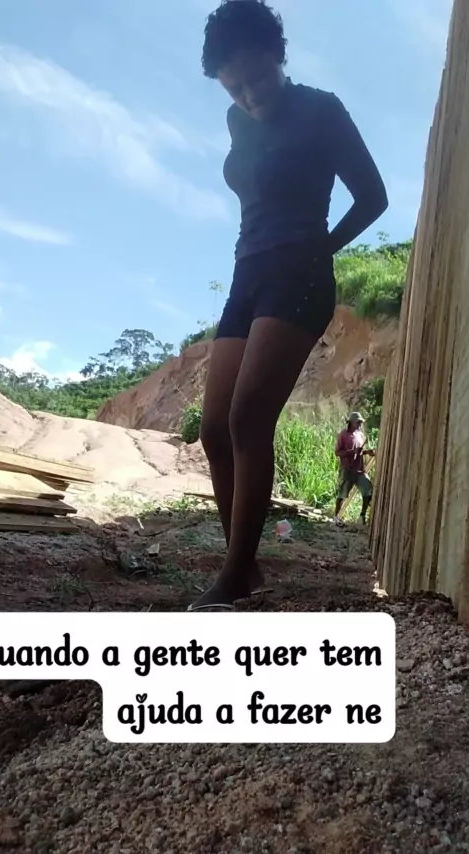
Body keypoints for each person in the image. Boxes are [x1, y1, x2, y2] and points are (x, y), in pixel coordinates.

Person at [188, 0, 388, 611]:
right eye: (235, 86)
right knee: (213, 430)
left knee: (249, 417)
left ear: (279, 55)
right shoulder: (236, 120)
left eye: (258, 77)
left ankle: (232, 578)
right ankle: (244, 568)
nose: (250, 95)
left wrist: (320, 248)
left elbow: (373, 196)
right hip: (246, 274)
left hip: (298, 276)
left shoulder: (321, 109)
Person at [334, 412, 375, 527]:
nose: (360, 424)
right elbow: (337, 452)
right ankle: (336, 517)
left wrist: (367, 452)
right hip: (347, 469)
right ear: (351, 423)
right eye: (358, 422)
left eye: (361, 422)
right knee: (342, 494)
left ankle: (362, 516)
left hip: (359, 470)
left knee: (368, 490)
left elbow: (360, 451)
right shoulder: (343, 435)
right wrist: (352, 452)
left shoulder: (360, 435)